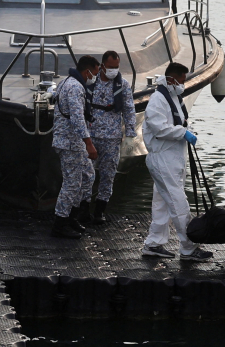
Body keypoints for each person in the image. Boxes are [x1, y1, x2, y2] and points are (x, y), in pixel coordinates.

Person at [142, 62, 213, 260]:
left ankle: (154, 243)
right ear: (172, 79)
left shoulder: (173, 97)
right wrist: (183, 132)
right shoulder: (158, 100)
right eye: (181, 80)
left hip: (172, 159)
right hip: (162, 158)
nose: (183, 84)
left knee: (162, 203)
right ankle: (189, 247)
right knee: (179, 203)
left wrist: (183, 133)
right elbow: (159, 128)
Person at [76, 49, 136, 226]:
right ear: (102, 66)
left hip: (112, 136)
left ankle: (100, 210)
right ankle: (84, 208)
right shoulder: (90, 82)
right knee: (86, 173)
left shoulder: (122, 84)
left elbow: (129, 108)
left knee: (108, 174)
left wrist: (130, 134)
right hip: (91, 135)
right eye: (110, 67)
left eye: (116, 67)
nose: (113, 71)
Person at [50, 55, 100, 239]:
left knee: (88, 176)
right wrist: (89, 144)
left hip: (73, 142)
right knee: (72, 184)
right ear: (87, 71)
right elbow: (78, 118)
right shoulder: (75, 87)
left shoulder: (66, 82)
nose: (94, 77)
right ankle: (59, 224)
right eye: (94, 73)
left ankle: (72, 216)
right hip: (70, 143)